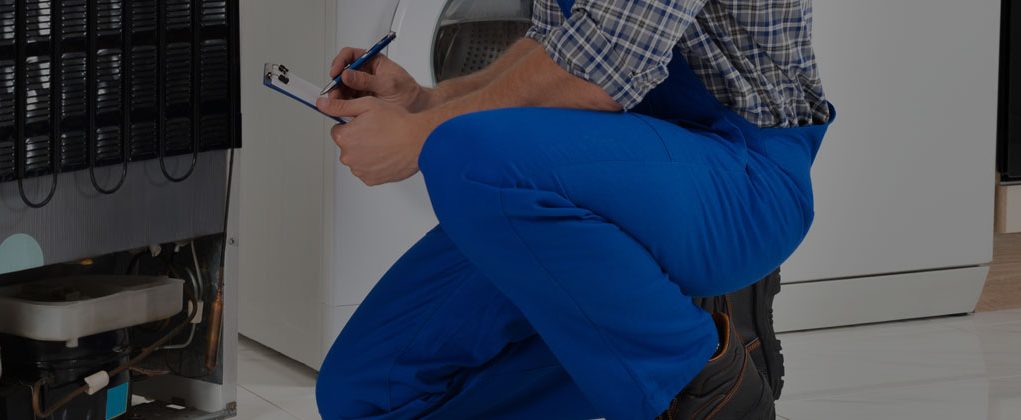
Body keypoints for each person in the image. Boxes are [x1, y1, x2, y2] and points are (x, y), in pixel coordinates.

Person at [311, 0, 833, 419]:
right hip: (608, 167)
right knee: (364, 391)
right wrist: (429, 103)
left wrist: (420, 135)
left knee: (463, 154)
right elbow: (553, 41)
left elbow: (607, 62)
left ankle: (709, 388)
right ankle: (665, 311)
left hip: (741, 175)